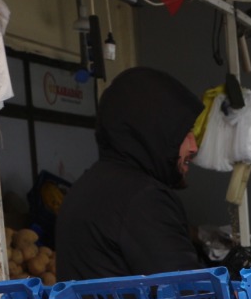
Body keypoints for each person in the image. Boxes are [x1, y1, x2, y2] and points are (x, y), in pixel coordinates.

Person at [57, 67, 203, 281]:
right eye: (184, 132)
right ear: (155, 132)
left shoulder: (87, 186)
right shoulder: (143, 199)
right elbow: (189, 293)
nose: (194, 146)